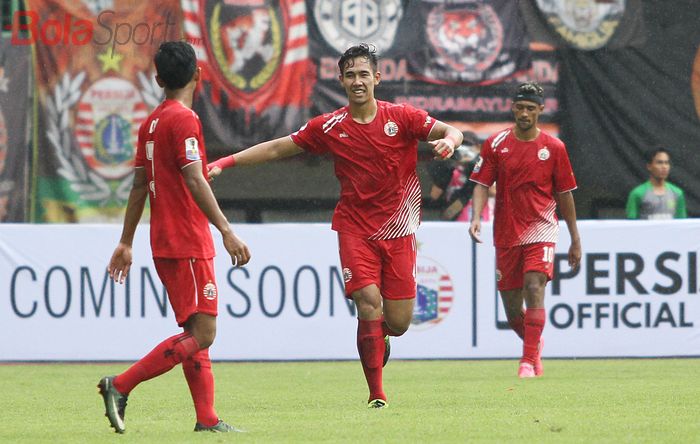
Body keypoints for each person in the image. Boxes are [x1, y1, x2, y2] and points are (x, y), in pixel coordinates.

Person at [208, 43, 463, 408]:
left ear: (377, 78)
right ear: (341, 80)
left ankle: (380, 337)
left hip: (400, 231)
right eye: (350, 75)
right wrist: (226, 162)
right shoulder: (330, 126)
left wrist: (449, 142)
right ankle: (377, 393)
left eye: (363, 74)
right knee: (367, 301)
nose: (357, 81)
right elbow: (280, 148)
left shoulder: (402, 118)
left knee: (400, 321)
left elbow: (451, 131)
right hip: (354, 229)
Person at [98, 41, 251, 434]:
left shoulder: (151, 121)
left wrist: (126, 241)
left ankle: (207, 418)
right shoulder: (184, 120)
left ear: (158, 79)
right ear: (199, 75)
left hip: (162, 241)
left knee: (193, 332)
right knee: (205, 332)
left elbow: (137, 186)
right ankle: (121, 385)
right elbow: (195, 177)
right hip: (186, 240)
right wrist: (227, 231)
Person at [468, 82, 581, 378]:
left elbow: (565, 194)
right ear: (513, 109)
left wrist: (574, 239)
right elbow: (481, 183)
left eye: (530, 108)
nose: (524, 113)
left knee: (535, 286)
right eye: (520, 107)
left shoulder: (554, 148)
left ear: (541, 111)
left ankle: (528, 361)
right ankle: (534, 343)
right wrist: (477, 216)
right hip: (506, 232)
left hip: (542, 228)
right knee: (510, 309)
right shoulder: (495, 144)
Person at [626, 147, 687, 220]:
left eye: (666, 163)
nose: (664, 167)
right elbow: (631, 224)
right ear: (649, 166)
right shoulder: (637, 193)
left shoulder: (677, 193)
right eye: (659, 162)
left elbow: (682, 223)